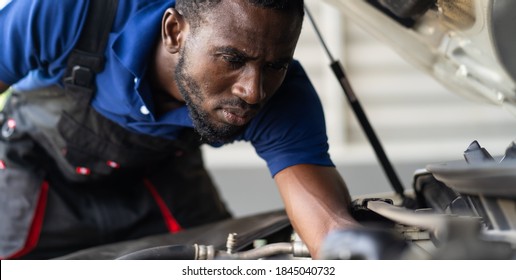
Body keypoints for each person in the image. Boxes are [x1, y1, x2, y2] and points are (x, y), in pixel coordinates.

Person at [0, 0, 358, 259]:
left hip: (162, 177)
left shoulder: (281, 96)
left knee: (224, 262)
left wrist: (358, 253)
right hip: (36, 171)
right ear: (174, 31)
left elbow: (329, 228)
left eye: (275, 64)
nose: (254, 91)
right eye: (232, 60)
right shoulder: (71, 10)